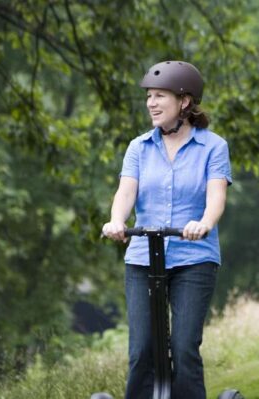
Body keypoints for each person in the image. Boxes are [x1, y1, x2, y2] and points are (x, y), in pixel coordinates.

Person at [102, 60, 231, 399]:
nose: (151, 103)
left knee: (185, 347)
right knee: (142, 351)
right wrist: (117, 221)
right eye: (149, 96)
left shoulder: (213, 146)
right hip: (143, 259)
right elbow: (126, 192)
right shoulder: (138, 147)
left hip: (195, 258)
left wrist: (203, 223)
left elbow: (216, 197)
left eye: (160, 96)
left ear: (184, 101)